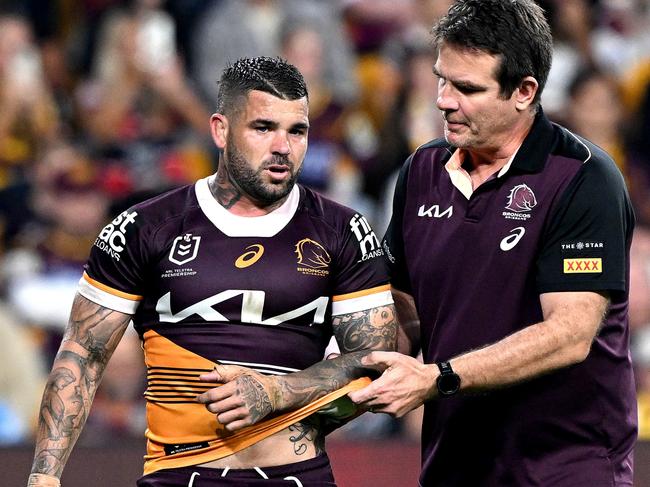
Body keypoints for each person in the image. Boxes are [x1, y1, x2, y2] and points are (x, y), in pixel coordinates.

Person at [27, 56, 397, 487]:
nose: (283, 146)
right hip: (177, 474)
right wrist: (44, 476)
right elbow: (83, 356)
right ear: (220, 129)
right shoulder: (145, 228)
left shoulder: (344, 232)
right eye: (263, 128)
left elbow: (371, 363)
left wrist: (275, 393)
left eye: (297, 131)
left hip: (298, 475)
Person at [348, 1, 638, 486]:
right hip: (454, 465)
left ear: (524, 91)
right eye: (442, 78)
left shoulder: (583, 178)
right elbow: (403, 318)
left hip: (565, 468)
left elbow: (569, 334)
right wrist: (285, 376)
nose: (443, 100)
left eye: (467, 88)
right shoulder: (421, 171)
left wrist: (436, 377)